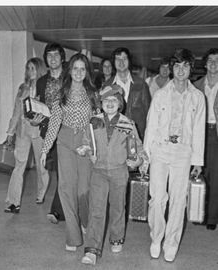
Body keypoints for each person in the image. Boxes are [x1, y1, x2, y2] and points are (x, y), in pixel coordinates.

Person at [144, 48, 206, 262]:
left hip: (183, 152)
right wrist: (146, 156)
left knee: (179, 200)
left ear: (191, 68)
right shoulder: (161, 94)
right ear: (171, 69)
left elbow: (199, 130)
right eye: (177, 66)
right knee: (157, 198)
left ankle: (171, 243)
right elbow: (150, 127)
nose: (181, 71)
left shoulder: (198, 97)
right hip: (160, 150)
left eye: (185, 66)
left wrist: (198, 160)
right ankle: (156, 238)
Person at [77, 84, 148, 265]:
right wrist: (85, 149)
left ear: (120, 103)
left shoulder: (128, 124)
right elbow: (87, 141)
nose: (110, 103)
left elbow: (137, 147)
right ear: (101, 103)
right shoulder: (94, 121)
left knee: (118, 207)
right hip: (99, 171)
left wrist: (139, 159)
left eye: (114, 100)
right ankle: (92, 249)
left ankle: (116, 237)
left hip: (119, 171)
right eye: (106, 100)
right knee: (97, 210)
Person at [40, 53, 99, 251]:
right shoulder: (61, 94)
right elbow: (54, 123)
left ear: (86, 72)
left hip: (84, 143)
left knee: (83, 190)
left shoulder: (92, 94)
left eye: (83, 69)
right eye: (75, 68)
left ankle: (84, 220)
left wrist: (95, 149)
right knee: (66, 189)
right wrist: (45, 148)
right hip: (64, 142)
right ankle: (73, 237)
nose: (79, 72)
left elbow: (96, 123)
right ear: (70, 71)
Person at [4, 57, 49, 213]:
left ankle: (41, 193)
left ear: (40, 70)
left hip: (38, 132)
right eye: (28, 68)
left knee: (41, 165)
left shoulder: (45, 87)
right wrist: (10, 132)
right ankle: (12, 201)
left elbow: (49, 112)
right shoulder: (22, 88)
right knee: (19, 165)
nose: (30, 72)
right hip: (22, 131)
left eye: (33, 68)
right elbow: (16, 112)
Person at [36, 42, 66, 224]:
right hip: (47, 130)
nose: (53, 58)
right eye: (49, 55)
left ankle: (57, 210)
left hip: (67, 130)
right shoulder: (41, 81)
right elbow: (38, 104)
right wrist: (34, 119)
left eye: (56, 55)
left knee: (63, 171)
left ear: (62, 58)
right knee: (58, 171)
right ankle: (64, 209)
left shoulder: (70, 78)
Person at [194, 48, 218, 231]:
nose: (213, 63)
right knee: (198, 173)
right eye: (210, 60)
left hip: (215, 134)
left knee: (215, 177)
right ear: (205, 64)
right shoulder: (197, 85)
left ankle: (211, 217)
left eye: (217, 60)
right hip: (199, 133)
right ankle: (197, 212)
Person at [104, 47, 151, 141]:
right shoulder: (108, 85)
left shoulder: (141, 84)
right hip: (115, 137)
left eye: (124, 58)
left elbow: (149, 113)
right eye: (118, 59)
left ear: (129, 61)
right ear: (114, 62)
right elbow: (104, 114)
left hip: (137, 135)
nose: (121, 62)